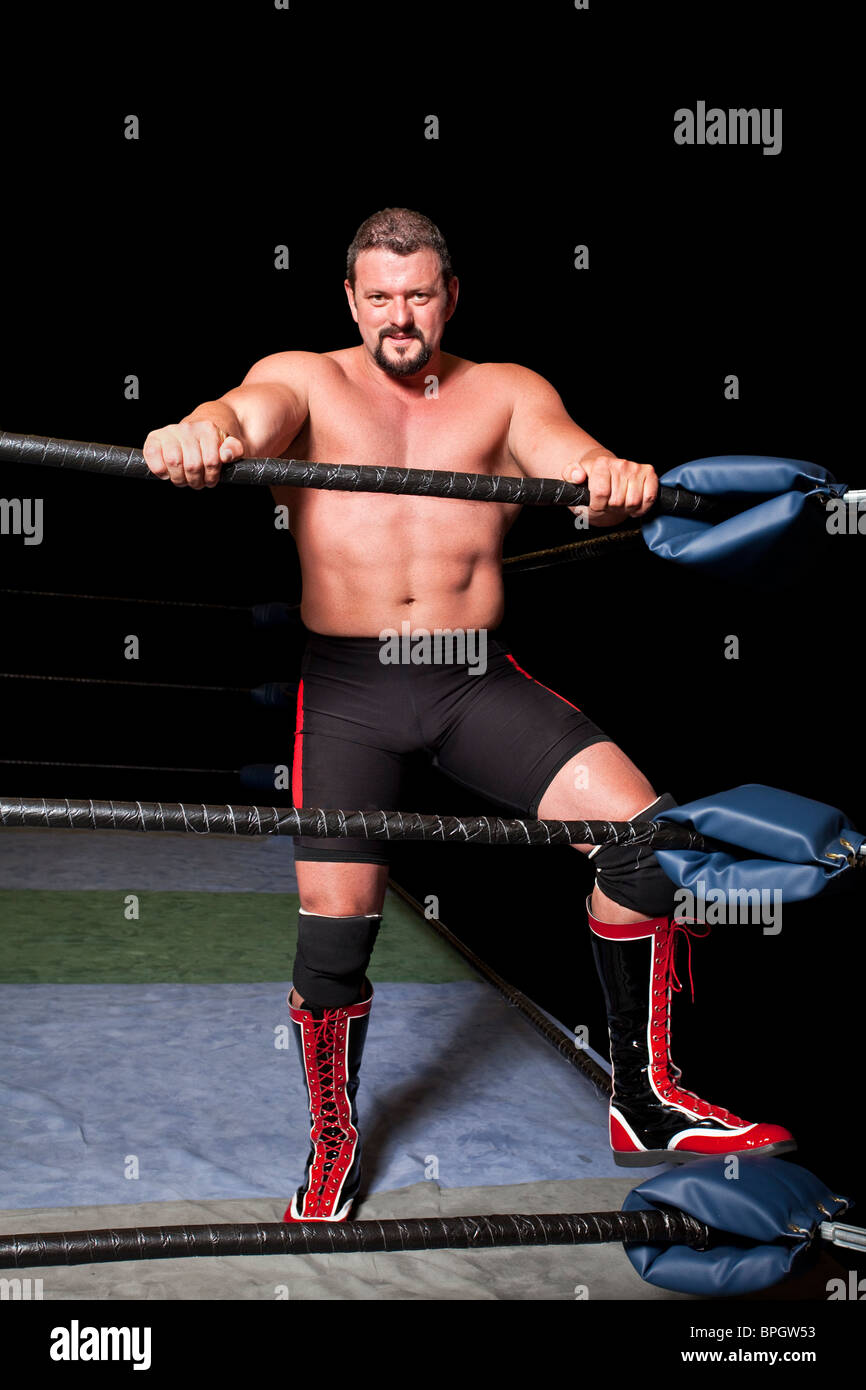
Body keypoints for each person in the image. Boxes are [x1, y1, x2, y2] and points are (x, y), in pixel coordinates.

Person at [143, 208, 794, 1221]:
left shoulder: (500, 390)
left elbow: (566, 452)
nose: (397, 316)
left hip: (468, 676)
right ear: (349, 300)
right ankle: (332, 1133)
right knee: (334, 929)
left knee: (643, 841)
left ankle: (643, 1098)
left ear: (449, 297)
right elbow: (244, 414)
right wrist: (201, 434)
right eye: (377, 296)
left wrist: (606, 476)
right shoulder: (307, 377)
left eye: (417, 294)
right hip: (352, 689)